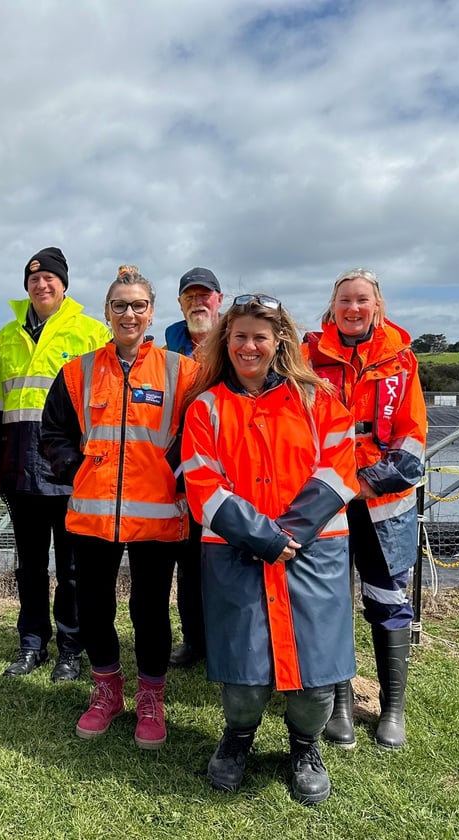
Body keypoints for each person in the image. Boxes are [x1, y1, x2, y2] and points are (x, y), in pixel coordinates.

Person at [181, 293, 359, 804]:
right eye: (240, 336)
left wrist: (290, 533)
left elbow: (339, 466)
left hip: (314, 552)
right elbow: (201, 482)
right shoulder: (207, 407)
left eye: (260, 336)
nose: (249, 346)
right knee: (244, 674)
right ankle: (237, 739)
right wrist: (263, 537)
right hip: (237, 551)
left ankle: (305, 747)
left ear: (279, 339)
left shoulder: (317, 399)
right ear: (226, 340)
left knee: (316, 677)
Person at [41, 265, 199, 749]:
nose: (128, 314)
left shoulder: (182, 371)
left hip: (157, 515)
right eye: (119, 305)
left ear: (152, 313)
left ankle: (151, 698)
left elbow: (201, 438)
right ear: (107, 312)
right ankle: (106, 690)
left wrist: (172, 474)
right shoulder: (78, 370)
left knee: (149, 610)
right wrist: (79, 468)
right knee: (93, 608)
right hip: (91, 514)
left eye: (138, 305)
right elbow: (52, 435)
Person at [303, 268, 427, 750]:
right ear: (332, 307)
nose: (353, 309)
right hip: (325, 502)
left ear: (377, 305)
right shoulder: (308, 357)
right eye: (344, 301)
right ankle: (338, 704)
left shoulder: (402, 361)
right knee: (328, 602)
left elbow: (413, 438)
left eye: (362, 300)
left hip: (382, 507)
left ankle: (392, 708)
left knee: (387, 600)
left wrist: (363, 484)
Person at [0, 247, 110, 682]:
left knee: (73, 567)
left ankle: (71, 649)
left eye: (50, 279)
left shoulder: (91, 332)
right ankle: (32, 643)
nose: (42, 285)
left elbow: (104, 407)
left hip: (70, 469)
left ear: (64, 284)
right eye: (34, 279)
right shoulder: (5, 337)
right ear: (26, 286)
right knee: (30, 565)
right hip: (20, 467)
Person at [163, 266, 224, 669]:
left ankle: (227, 642)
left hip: (228, 469)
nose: (197, 302)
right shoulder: (169, 345)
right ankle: (195, 640)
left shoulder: (235, 340)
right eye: (190, 296)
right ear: (181, 303)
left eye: (205, 295)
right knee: (188, 563)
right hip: (183, 472)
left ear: (219, 300)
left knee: (227, 561)